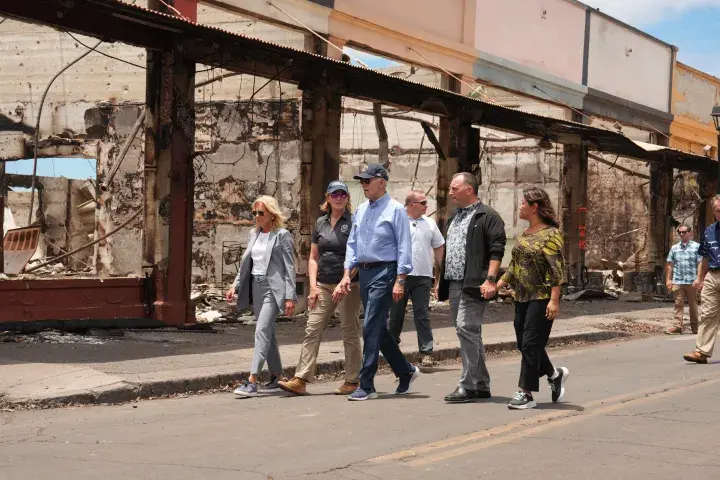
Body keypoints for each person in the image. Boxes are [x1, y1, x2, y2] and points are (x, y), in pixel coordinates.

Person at [336, 163, 421, 401]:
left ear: (381, 182)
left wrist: (401, 279)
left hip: (386, 271)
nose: (362, 185)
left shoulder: (395, 210)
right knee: (377, 329)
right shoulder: (361, 210)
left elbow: (405, 245)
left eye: (366, 181)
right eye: (361, 181)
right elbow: (353, 244)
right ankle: (405, 370)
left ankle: (367, 384)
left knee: (370, 324)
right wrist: (346, 274)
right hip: (364, 272)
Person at [278, 181, 362, 396]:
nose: (339, 198)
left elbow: (356, 256)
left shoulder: (353, 222)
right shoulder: (321, 223)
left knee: (349, 331)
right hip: (323, 284)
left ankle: (352, 380)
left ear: (347, 198)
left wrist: (345, 280)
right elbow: (313, 257)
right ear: (328, 197)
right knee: (312, 328)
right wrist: (313, 287)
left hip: (349, 284)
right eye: (335, 194)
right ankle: (301, 379)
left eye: (343, 194)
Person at [496, 187, 569, 410]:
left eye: (523, 203)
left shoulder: (551, 234)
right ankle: (554, 374)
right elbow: (515, 268)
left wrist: (554, 300)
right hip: (523, 297)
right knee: (524, 343)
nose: (519, 207)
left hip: (542, 296)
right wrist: (495, 285)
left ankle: (525, 393)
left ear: (534, 207)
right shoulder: (525, 234)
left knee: (530, 344)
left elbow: (557, 270)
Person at [438, 173, 506, 403]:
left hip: (475, 283)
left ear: (469, 189)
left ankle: (467, 385)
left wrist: (490, 280)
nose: (450, 193)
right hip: (455, 283)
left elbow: (497, 250)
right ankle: (482, 384)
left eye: (454, 188)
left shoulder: (488, 216)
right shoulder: (455, 217)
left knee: (466, 328)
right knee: (468, 332)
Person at [226, 195, 297, 397]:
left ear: (271, 215)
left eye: (261, 213)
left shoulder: (282, 235)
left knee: (262, 330)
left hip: (273, 290)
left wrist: (290, 296)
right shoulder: (253, 234)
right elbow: (246, 265)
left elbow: (289, 268)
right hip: (256, 288)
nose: (256, 216)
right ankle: (276, 376)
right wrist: (235, 286)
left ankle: (252, 380)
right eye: (254, 212)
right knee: (268, 333)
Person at [389, 190, 445, 368]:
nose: (427, 206)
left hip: (422, 277)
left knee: (422, 315)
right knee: (396, 315)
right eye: (423, 203)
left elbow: (439, 249)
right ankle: (392, 351)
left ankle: (426, 352)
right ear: (412, 204)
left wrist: (440, 278)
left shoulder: (429, 223)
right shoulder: (398, 221)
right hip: (400, 277)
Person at [684, 195, 720, 364]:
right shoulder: (709, 231)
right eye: (719, 210)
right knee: (707, 314)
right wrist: (700, 278)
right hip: (713, 276)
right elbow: (705, 258)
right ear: (714, 212)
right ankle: (702, 351)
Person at [665, 225, 701, 335]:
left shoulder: (697, 247)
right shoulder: (675, 248)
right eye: (679, 232)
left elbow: (700, 263)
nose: (681, 234)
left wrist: (699, 279)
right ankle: (677, 327)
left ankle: (695, 327)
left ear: (690, 233)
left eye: (684, 232)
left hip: (692, 281)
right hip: (678, 280)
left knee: (693, 305)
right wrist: (668, 280)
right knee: (678, 305)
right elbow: (670, 264)